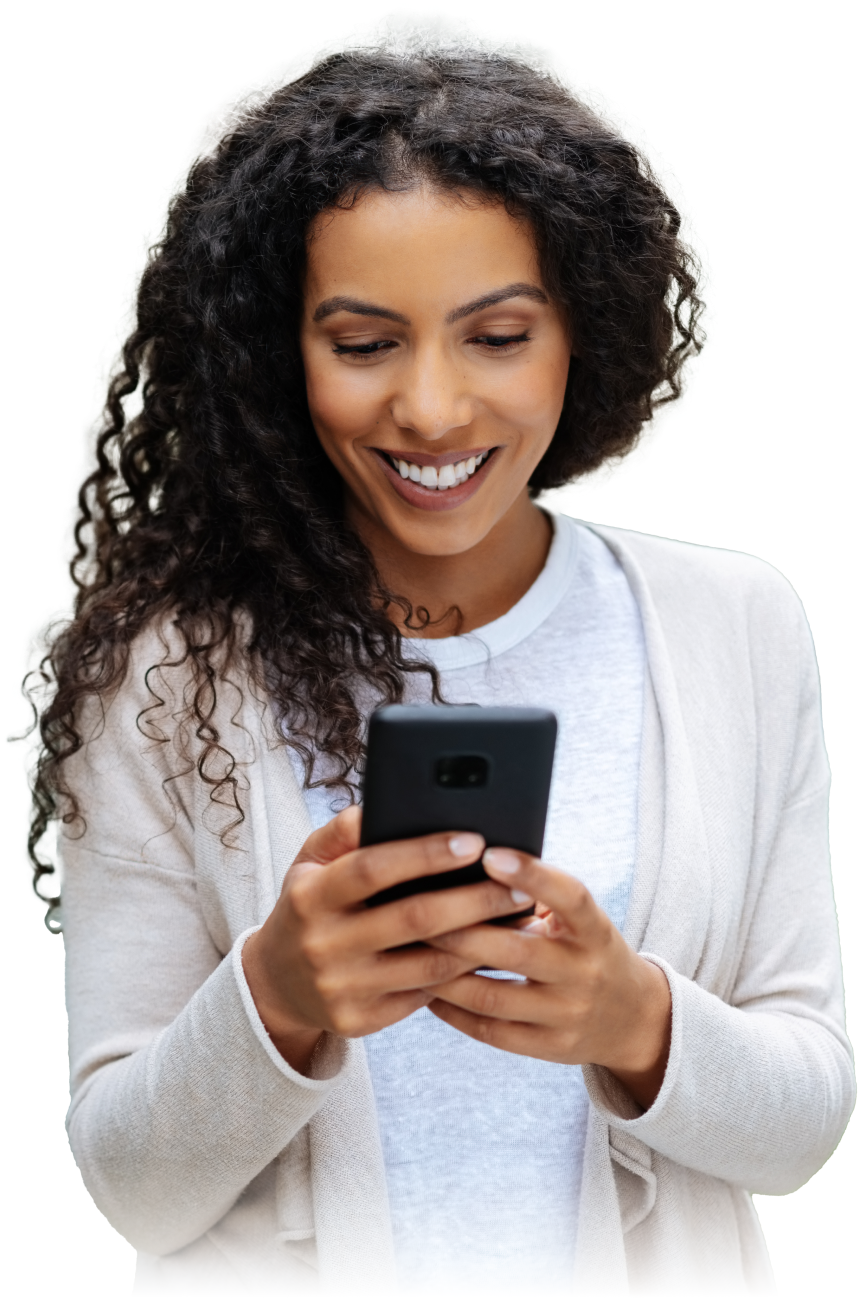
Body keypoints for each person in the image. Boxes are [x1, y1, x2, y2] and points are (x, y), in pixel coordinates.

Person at [7, 9, 855, 1298]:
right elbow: (134, 1189)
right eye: (362, 343)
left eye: (499, 336)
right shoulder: (163, 673)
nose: (434, 408)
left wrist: (637, 1024)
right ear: (276, 355)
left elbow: (803, 1128)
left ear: (585, 333)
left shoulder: (732, 623)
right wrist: (280, 997)